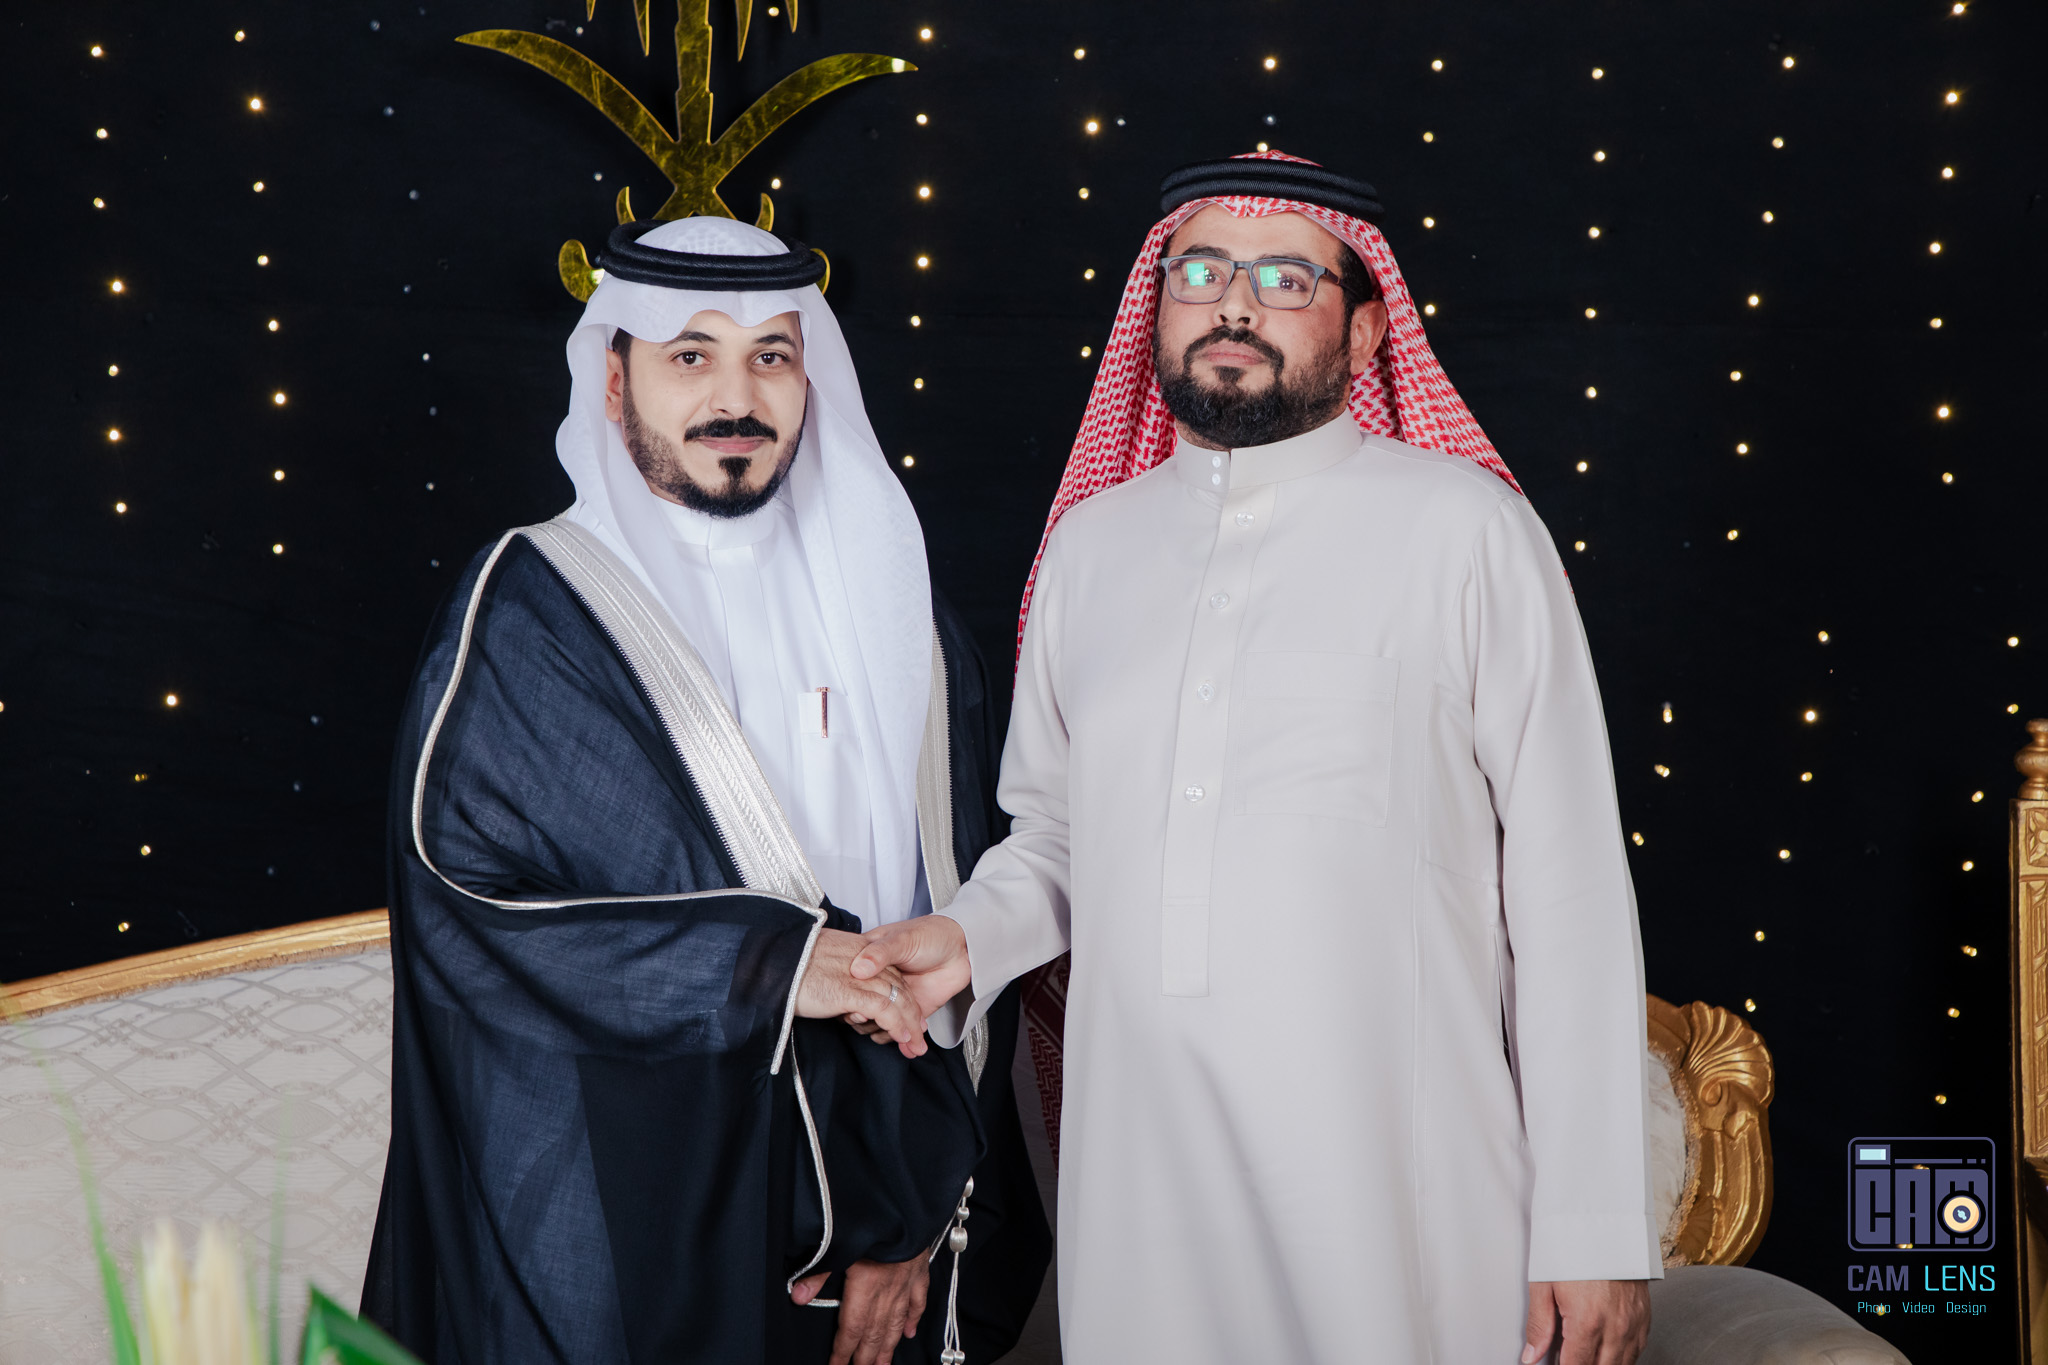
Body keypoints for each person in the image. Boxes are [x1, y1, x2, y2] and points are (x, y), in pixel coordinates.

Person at [856, 151, 1659, 1365]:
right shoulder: (1091, 547)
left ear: (1367, 326)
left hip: (1397, 1180)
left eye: (1285, 277)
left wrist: (1592, 1225)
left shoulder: (1467, 533)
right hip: (1142, 1178)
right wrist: (966, 940)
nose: (1233, 305)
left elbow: (1568, 888)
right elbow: (1061, 836)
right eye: (1200, 272)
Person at [361, 215, 1049, 1365]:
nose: (736, 397)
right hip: (634, 1218)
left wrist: (915, 1219)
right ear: (613, 377)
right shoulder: (533, 610)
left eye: (770, 355)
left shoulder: (903, 623)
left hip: (877, 1230)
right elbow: (467, 911)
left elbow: (963, 923)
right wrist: (769, 966)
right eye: (691, 355)